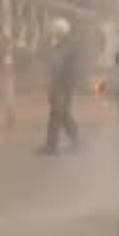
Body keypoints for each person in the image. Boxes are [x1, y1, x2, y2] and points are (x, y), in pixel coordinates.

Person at [36, 18, 80, 156]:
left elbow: (56, 62)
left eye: (54, 31)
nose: (52, 33)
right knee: (62, 112)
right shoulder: (66, 43)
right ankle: (74, 139)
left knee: (56, 112)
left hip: (62, 83)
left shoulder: (65, 45)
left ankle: (52, 145)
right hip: (65, 82)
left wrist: (49, 48)